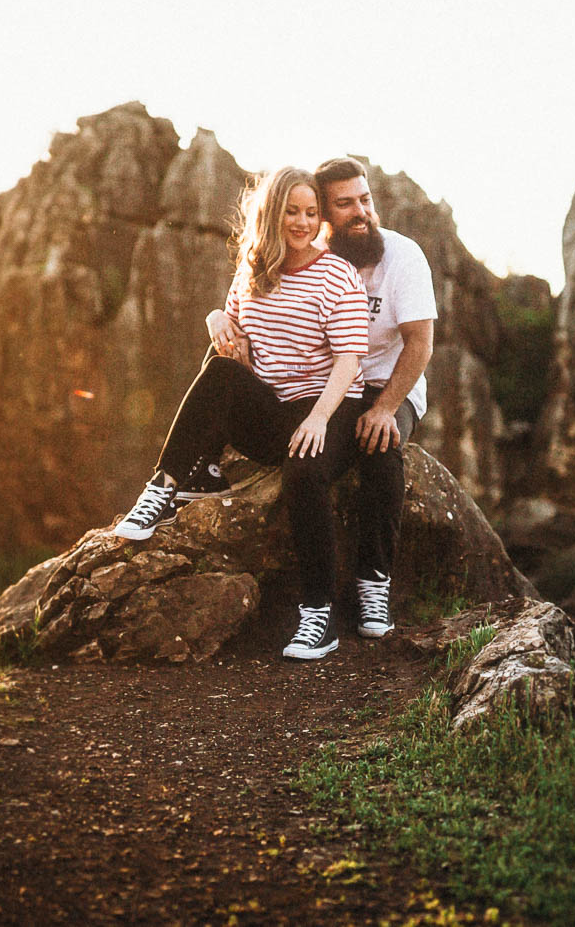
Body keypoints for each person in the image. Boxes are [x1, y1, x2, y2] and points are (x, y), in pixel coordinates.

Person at [109, 166, 369, 660]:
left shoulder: (338, 273)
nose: (303, 222)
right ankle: (166, 485)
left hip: (331, 407)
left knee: (305, 465)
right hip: (273, 409)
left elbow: (350, 359)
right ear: (271, 213)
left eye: (312, 213)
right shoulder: (254, 267)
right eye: (292, 211)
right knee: (221, 368)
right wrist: (216, 317)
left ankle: (320, 615)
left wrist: (317, 419)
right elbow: (234, 330)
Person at [306, 157, 436, 643]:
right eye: (346, 204)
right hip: (333, 384)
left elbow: (420, 344)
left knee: (381, 446)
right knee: (309, 462)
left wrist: (384, 407)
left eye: (366, 199)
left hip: (391, 382)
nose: (361, 212)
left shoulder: (404, 256)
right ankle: (315, 601)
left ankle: (374, 581)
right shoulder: (312, 258)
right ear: (323, 213)